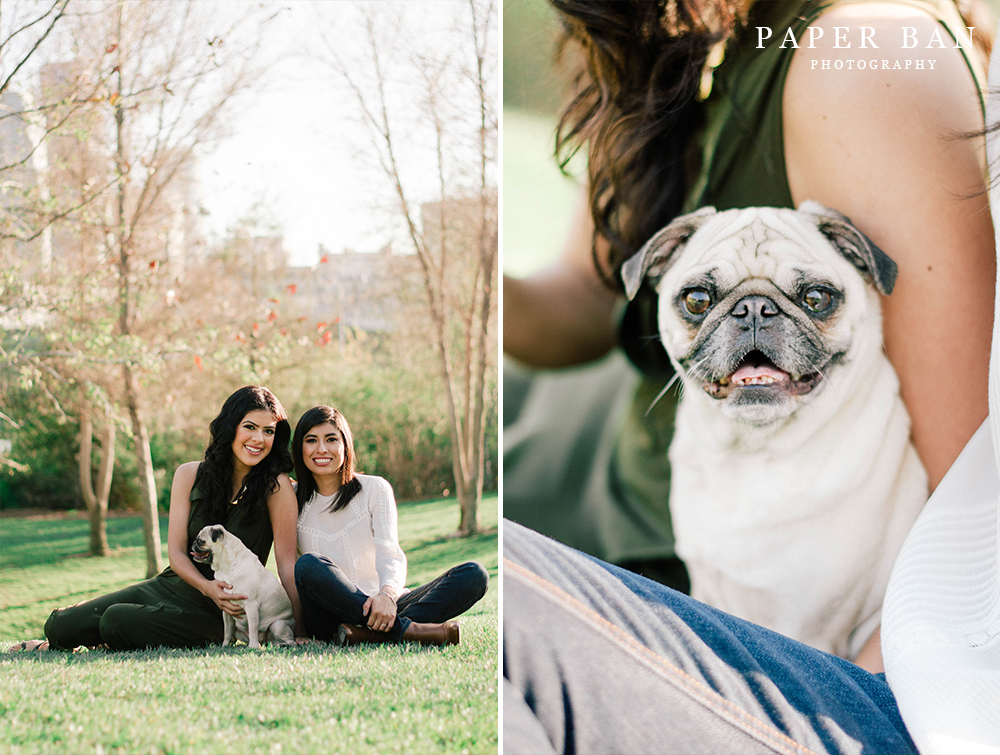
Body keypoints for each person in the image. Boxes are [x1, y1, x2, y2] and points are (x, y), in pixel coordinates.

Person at [503, 0, 997, 751]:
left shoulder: (858, 61)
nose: (752, 320)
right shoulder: (664, 42)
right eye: (707, 300)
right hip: (651, 497)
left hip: (779, 641)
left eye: (805, 298)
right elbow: (589, 286)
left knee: (500, 597)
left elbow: (963, 524)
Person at [9, 385, 303, 652]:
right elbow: (176, 552)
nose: (258, 439)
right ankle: (62, 643)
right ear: (230, 428)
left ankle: (117, 636)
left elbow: (286, 565)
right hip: (171, 585)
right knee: (61, 626)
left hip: (220, 612)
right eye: (249, 427)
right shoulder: (189, 474)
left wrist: (299, 630)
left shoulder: (276, 488)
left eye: (268, 431)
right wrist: (205, 586)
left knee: (116, 621)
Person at [291, 405, 488, 647]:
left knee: (473, 575)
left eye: (331, 439)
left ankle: (366, 634)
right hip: (326, 613)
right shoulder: (290, 499)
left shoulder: (374, 489)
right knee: (309, 565)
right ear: (299, 447)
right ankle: (410, 630)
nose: (322, 449)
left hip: (383, 605)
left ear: (345, 445)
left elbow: (389, 553)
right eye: (311, 440)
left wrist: (386, 595)